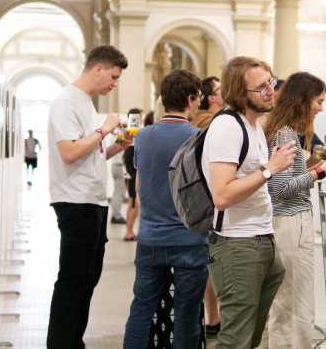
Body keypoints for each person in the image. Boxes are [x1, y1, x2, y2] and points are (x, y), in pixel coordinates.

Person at [201, 56, 296, 349]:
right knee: (235, 340)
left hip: (259, 238)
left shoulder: (253, 125)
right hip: (237, 244)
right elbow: (222, 195)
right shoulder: (227, 127)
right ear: (241, 94)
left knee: (249, 337)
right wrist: (270, 168)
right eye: (261, 87)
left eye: (271, 83)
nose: (271, 91)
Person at [46, 45, 130, 349]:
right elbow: (68, 152)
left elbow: (89, 153)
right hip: (75, 201)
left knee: (87, 279)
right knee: (72, 280)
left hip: (94, 201)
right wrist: (104, 129)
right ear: (98, 68)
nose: (114, 83)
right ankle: (61, 343)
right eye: (113, 76)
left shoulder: (87, 103)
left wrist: (115, 146)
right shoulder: (66, 101)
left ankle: (73, 340)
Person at [262, 72, 326, 349]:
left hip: (289, 222)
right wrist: (323, 171)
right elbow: (280, 189)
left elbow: (288, 179)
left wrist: (325, 162)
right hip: (289, 223)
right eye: (318, 101)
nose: (321, 108)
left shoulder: (285, 130)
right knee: (294, 304)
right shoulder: (285, 134)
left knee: (291, 302)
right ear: (302, 100)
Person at [123, 70, 209, 348]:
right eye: (198, 99)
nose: (199, 105)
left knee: (141, 309)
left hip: (150, 236)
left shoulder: (143, 136)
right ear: (190, 98)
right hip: (190, 239)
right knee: (187, 312)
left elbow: (138, 185)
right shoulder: (199, 137)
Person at [191, 76, 224, 338]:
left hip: (200, 200)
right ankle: (212, 316)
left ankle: (211, 315)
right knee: (209, 264)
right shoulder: (210, 123)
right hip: (208, 200)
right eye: (220, 90)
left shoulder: (206, 121)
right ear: (211, 97)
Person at [122, 108, 149, 242]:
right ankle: (128, 231)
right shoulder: (130, 132)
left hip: (131, 158)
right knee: (133, 201)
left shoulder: (136, 132)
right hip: (131, 158)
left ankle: (130, 230)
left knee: (135, 201)